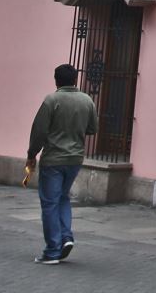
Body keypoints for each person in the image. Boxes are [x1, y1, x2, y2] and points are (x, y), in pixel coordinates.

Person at [27, 63, 99, 265]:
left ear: (56, 80)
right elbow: (92, 128)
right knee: (62, 198)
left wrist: (31, 154)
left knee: (49, 203)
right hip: (75, 158)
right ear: (75, 79)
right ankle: (66, 238)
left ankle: (52, 250)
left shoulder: (52, 100)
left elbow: (39, 131)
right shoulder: (87, 100)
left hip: (53, 159)